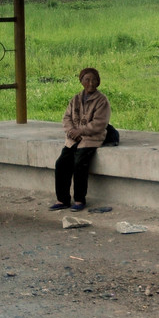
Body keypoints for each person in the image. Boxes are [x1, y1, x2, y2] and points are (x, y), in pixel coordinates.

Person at [50, 67, 111, 212]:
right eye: (87, 80)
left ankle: (79, 200)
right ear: (81, 81)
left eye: (94, 80)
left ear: (98, 82)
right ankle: (62, 199)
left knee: (80, 163)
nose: (90, 83)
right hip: (73, 138)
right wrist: (71, 131)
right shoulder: (75, 99)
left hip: (91, 139)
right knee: (61, 163)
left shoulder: (102, 101)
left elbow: (99, 123)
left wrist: (80, 131)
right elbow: (66, 118)